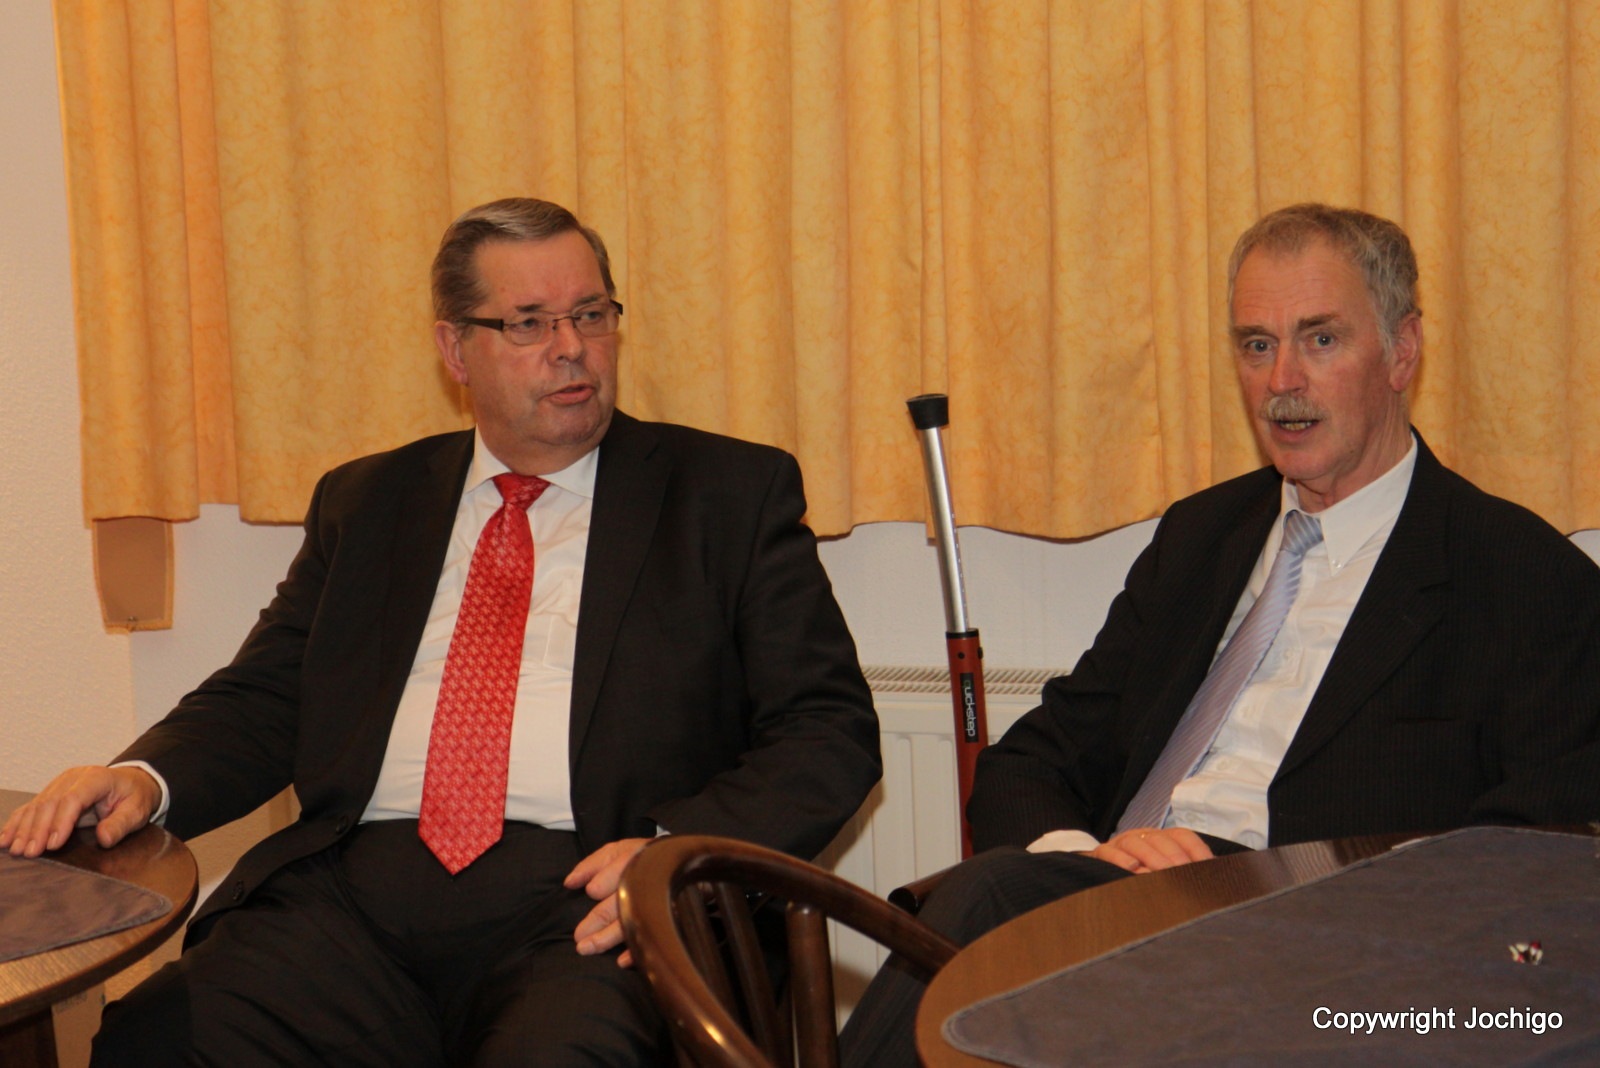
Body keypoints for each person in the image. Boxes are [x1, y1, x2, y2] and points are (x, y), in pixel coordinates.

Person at [2, 197, 881, 1066]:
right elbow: (269, 695)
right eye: (528, 322)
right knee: (157, 1041)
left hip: (586, 897)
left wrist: (669, 857)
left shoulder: (725, 494)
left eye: (590, 314)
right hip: (352, 894)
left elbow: (826, 729)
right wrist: (142, 776)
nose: (571, 347)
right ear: (455, 349)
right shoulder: (369, 501)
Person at [839, 203, 1600, 1066]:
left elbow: (1526, 861)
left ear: (1402, 351)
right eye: (1255, 345)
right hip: (1116, 908)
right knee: (995, 908)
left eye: (1320, 339)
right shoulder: (1203, 537)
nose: (1282, 380)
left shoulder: (1523, 579)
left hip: (1318, 952)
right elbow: (1034, 760)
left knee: (983, 901)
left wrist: (1223, 888)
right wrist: (1092, 866)